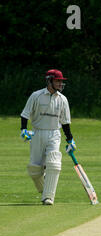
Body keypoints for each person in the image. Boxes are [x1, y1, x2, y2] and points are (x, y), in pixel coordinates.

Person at [20, 69, 76, 205]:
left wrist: (70, 139)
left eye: (61, 81)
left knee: (54, 162)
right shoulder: (36, 95)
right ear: (49, 80)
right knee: (34, 169)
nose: (60, 83)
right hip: (37, 133)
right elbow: (25, 114)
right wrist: (23, 130)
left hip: (54, 133)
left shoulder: (63, 100)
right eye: (57, 81)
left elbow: (65, 122)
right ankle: (45, 188)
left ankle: (48, 197)